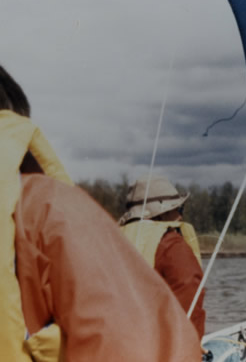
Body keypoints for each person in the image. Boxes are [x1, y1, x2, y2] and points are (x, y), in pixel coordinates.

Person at [0, 64, 202, 361]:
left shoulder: (121, 231)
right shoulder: (48, 210)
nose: (180, 216)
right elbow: (187, 302)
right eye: (176, 209)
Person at [119, 175, 206, 338]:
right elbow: (190, 300)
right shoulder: (170, 243)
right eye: (178, 209)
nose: (180, 216)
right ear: (161, 213)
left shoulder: (110, 238)